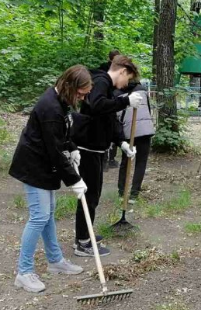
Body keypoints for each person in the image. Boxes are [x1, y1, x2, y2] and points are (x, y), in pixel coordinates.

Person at [8, 65, 90, 293]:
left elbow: (62, 135)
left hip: (45, 165)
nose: (82, 99)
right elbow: (54, 149)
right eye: (81, 94)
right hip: (34, 166)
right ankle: (23, 273)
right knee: (39, 217)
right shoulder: (50, 108)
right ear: (69, 86)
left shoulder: (61, 102)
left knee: (48, 215)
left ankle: (55, 261)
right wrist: (74, 180)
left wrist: (72, 147)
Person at [73, 56, 144, 257]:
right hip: (88, 148)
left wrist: (121, 141)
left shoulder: (107, 88)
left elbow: (108, 117)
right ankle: (82, 243)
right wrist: (125, 101)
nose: (125, 85)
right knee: (90, 196)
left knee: (93, 195)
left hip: (96, 148)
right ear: (122, 71)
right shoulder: (101, 82)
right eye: (127, 79)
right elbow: (97, 106)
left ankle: (84, 235)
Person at [114, 81, 155, 204]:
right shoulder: (142, 89)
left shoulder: (116, 92)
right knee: (141, 162)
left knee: (125, 161)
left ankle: (122, 192)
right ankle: (133, 194)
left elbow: (116, 115)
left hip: (127, 131)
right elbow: (148, 109)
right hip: (145, 130)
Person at [100, 50, 122, 170]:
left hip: (115, 100)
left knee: (115, 128)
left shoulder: (120, 69)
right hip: (108, 102)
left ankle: (112, 159)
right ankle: (103, 160)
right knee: (105, 130)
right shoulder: (104, 69)